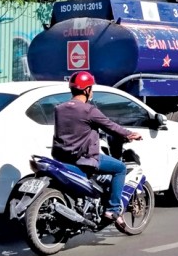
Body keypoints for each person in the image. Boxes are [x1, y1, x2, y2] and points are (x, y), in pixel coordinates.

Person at [52, 71, 142, 226]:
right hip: (84, 158)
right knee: (120, 168)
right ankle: (113, 209)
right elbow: (110, 126)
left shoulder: (59, 108)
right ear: (86, 90)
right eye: (91, 88)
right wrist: (130, 134)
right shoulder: (88, 110)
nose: (92, 91)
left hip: (62, 157)